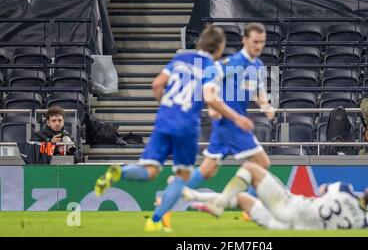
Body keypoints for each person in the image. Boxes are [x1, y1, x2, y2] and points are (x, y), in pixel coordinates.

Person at [94, 25, 254, 232]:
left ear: (200, 42)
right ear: (219, 47)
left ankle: (119, 173)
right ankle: (155, 220)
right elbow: (210, 97)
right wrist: (236, 117)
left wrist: (166, 104)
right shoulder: (211, 68)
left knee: (149, 170)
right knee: (182, 176)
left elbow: (156, 84)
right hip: (186, 125)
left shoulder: (180, 59)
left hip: (164, 120)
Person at [183, 22, 275, 201]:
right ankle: (247, 206)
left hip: (226, 124)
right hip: (232, 123)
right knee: (262, 163)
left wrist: (266, 106)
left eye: (262, 42)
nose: (258, 46)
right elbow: (208, 77)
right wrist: (211, 106)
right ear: (244, 40)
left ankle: (172, 192)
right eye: (255, 42)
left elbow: (258, 91)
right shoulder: (233, 62)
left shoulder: (257, 66)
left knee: (208, 169)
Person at [188, 162, 368, 230]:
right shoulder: (362, 223)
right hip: (287, 226)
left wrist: (323, 193)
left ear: (366, 191)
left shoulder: (344, 189)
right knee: (243, 200)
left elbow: (321, 189)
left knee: (250, 168)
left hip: (292, 207)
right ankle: (194, 196)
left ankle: (217, 203)